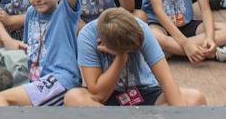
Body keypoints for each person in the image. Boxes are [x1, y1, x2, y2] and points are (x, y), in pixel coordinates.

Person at [64, 7, 204, 107]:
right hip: (108, 101)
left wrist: (182, 117)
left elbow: (167, 81)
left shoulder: (141, 28)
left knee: (195, 98)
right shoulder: (88, 36)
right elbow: (100, 95)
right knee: (74, 98)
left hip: (144, 92)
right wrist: (121, 58)